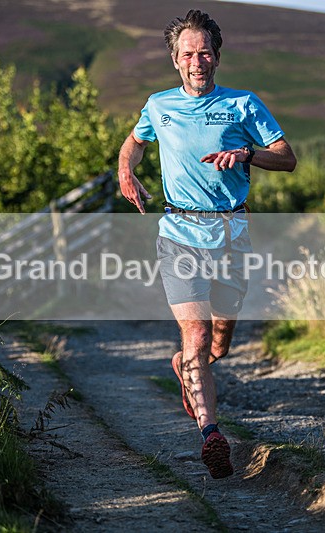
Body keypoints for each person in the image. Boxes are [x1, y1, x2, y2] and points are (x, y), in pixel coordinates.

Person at [117, 9, 296, 479]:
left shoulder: (243, 104)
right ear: (175, 60)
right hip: (178, 235)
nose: (197, 61)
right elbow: (133, 143)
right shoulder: (159, 106)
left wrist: (246, 154)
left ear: (217, 57)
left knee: (219, 343)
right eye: (188, 53)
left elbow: (287, 158)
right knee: (195, 336)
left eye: (205, 52)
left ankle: (187, 365)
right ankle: (211, 434)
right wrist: (126, 172)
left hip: (232, 233)